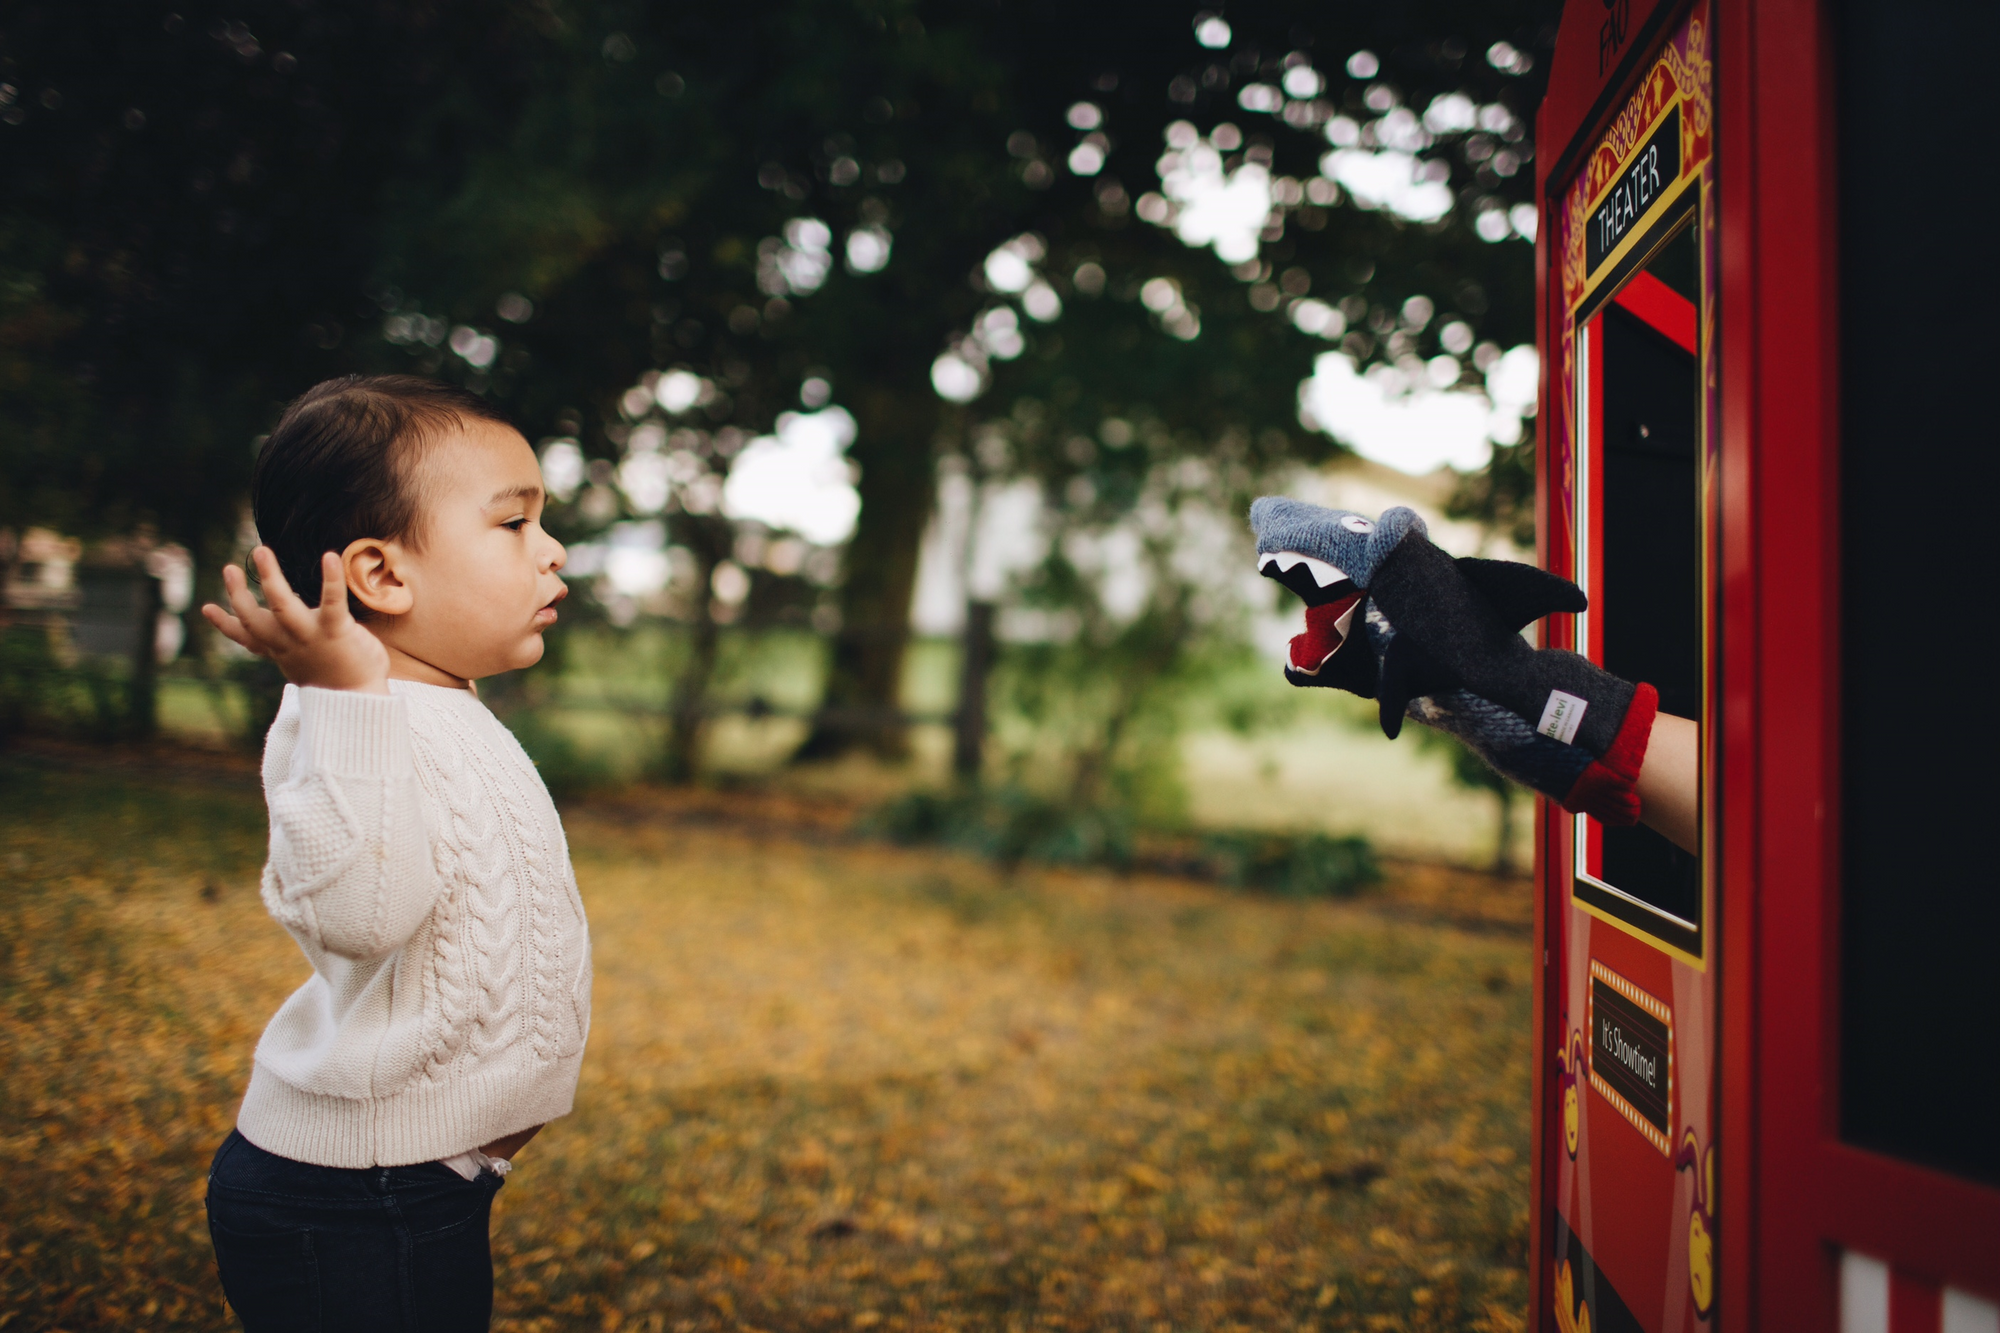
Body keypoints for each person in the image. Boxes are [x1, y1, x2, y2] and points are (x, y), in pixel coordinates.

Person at [197, 375, 587, 1332]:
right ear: (381, 576)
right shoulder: (344, 723)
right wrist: (339, 690)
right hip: (352, 1198)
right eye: (514, 525)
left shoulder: (441, 699)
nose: (553, 550)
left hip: (418, 1184)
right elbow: (363, 914)